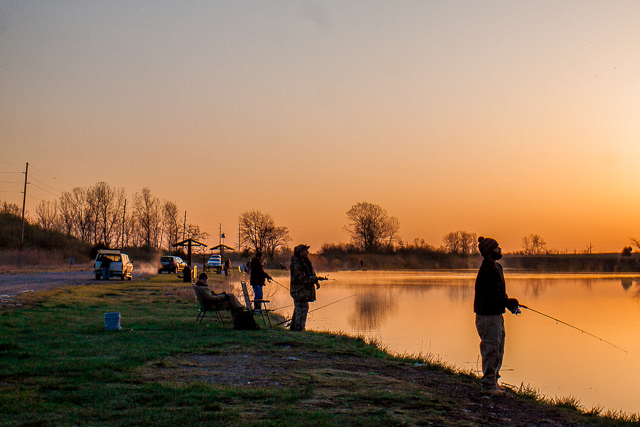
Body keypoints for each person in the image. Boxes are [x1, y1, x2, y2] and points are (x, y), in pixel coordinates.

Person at [474, 236, 520, 396]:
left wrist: (508, 302)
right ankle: (488, 386)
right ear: (489, 251)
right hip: (487, 316)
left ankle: (493, 382)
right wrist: (507, 302)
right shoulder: (487, 270)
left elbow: (499, 293)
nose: (500, 249)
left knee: (498, 348)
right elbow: (492, 296)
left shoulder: (496, 267)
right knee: (491, 349)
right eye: (496, 247)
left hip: (496, 315)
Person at [289, 244, 322, 331]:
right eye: (305, 251)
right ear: (300, 252)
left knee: (301, 308)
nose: (307, 252)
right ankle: (299, 329)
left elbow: (311, 273)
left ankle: (294, 328)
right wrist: (315, 279)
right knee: (301, 308)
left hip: (304, 291)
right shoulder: (296, 263)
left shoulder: (306, 261)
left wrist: (316, 282)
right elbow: (302, 278)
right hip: (298, 291)